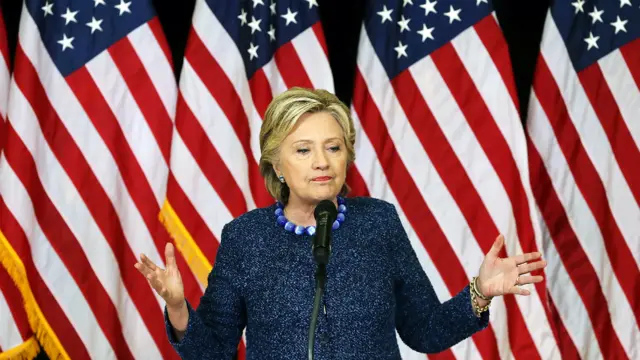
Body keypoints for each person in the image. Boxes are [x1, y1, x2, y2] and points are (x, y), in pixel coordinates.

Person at [134, 87, 546, 359]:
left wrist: (479, 292)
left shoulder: (378, 223)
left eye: (333, 147)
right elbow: (215, 350)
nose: (321, 162)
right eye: (303, 150)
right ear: (276, 164)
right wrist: (177, 308)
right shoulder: (245, 238)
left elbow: (424, 331)